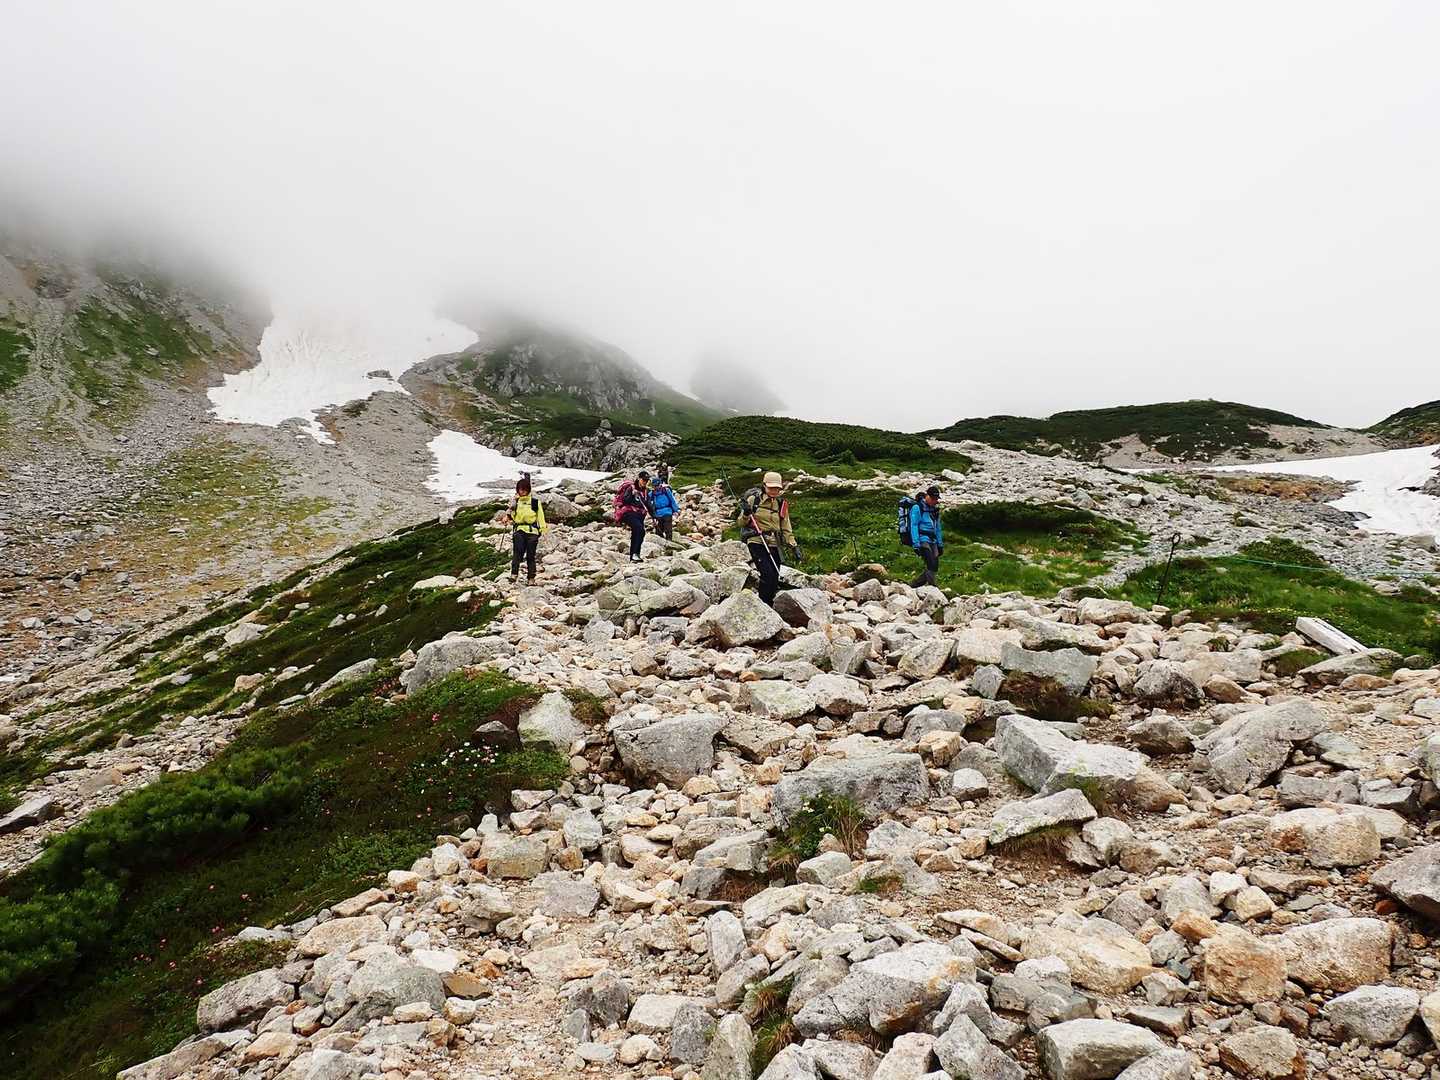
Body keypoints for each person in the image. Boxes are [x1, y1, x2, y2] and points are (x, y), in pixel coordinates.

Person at [738, 471, 798, 606]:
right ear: (764, 486)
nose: (774, 491)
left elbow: (786, 526)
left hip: (775, 543)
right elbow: (741, 523)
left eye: (777, 488)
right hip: (756, 541)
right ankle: (763, 605)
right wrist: (746, 514)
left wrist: (793, 544)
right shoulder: (753, 500)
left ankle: (769, 605)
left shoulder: (781, 504)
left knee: (775, 576)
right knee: (767, 574)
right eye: (771, 488)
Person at [502, 475, 547, 583]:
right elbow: (512, 515)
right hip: (519, 530)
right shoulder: (515, 502)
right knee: (517, 553)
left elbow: (540, 517)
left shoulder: (535, 502)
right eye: (520, 489)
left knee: (531, 555)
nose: (522, 491)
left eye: (524, 489)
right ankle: (514, 574)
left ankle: (531, 578)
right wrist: (507, 517)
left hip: (533, 531)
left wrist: (543, 530)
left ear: (528, 490)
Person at [909, 484, 943, 588]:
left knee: (935, 566)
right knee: (930, 563)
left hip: (933, 540)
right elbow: (914, 526)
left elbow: (937, 527)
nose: (935, 501)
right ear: (927, 496)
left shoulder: (934, 510)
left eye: (936, 499)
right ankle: (933, 587)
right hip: (922, 539)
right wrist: (916, 544)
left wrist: (940, 544)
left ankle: (914, 584)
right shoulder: (917, 508)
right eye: (933, 498)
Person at [618, 470, 652, 562]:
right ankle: (634, 555)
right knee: (639, 529)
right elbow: (625, 501)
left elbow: (648, 505)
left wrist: (655, 517)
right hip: (629, 513)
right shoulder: (631, 488)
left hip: (640, 515)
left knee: (639, 532)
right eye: (643, 480)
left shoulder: (646, 491)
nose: (645, 482)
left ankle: (635, 555)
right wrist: (632, 494)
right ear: (639, 479)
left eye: (647, 480)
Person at [650, 468, 679, 541]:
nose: (656, 487)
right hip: (658, 513)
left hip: (667, 511)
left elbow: (672, 500)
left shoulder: (666, 490)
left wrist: (676, 510)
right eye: (654, 486)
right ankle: (661, 541)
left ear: (660, 484)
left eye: (657, 485)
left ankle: (669, 541)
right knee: (658, 530)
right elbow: (646, 499)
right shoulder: (652, 493)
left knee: (668, 528)